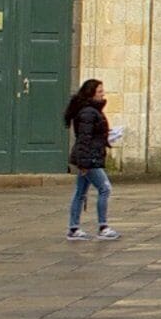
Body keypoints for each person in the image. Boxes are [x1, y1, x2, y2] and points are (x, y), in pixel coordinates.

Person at [63, 79, 116, 239]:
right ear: (91, 93)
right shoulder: (88, 112)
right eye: (100, 91)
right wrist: (84, 162)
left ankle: (73, 228)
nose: (103, 94)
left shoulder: (92, 111)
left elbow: (93, 135)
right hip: (89, 158)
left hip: (89, 156)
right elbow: (84, 139)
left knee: (80, 192)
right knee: (105, 188)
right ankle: (103, 226)